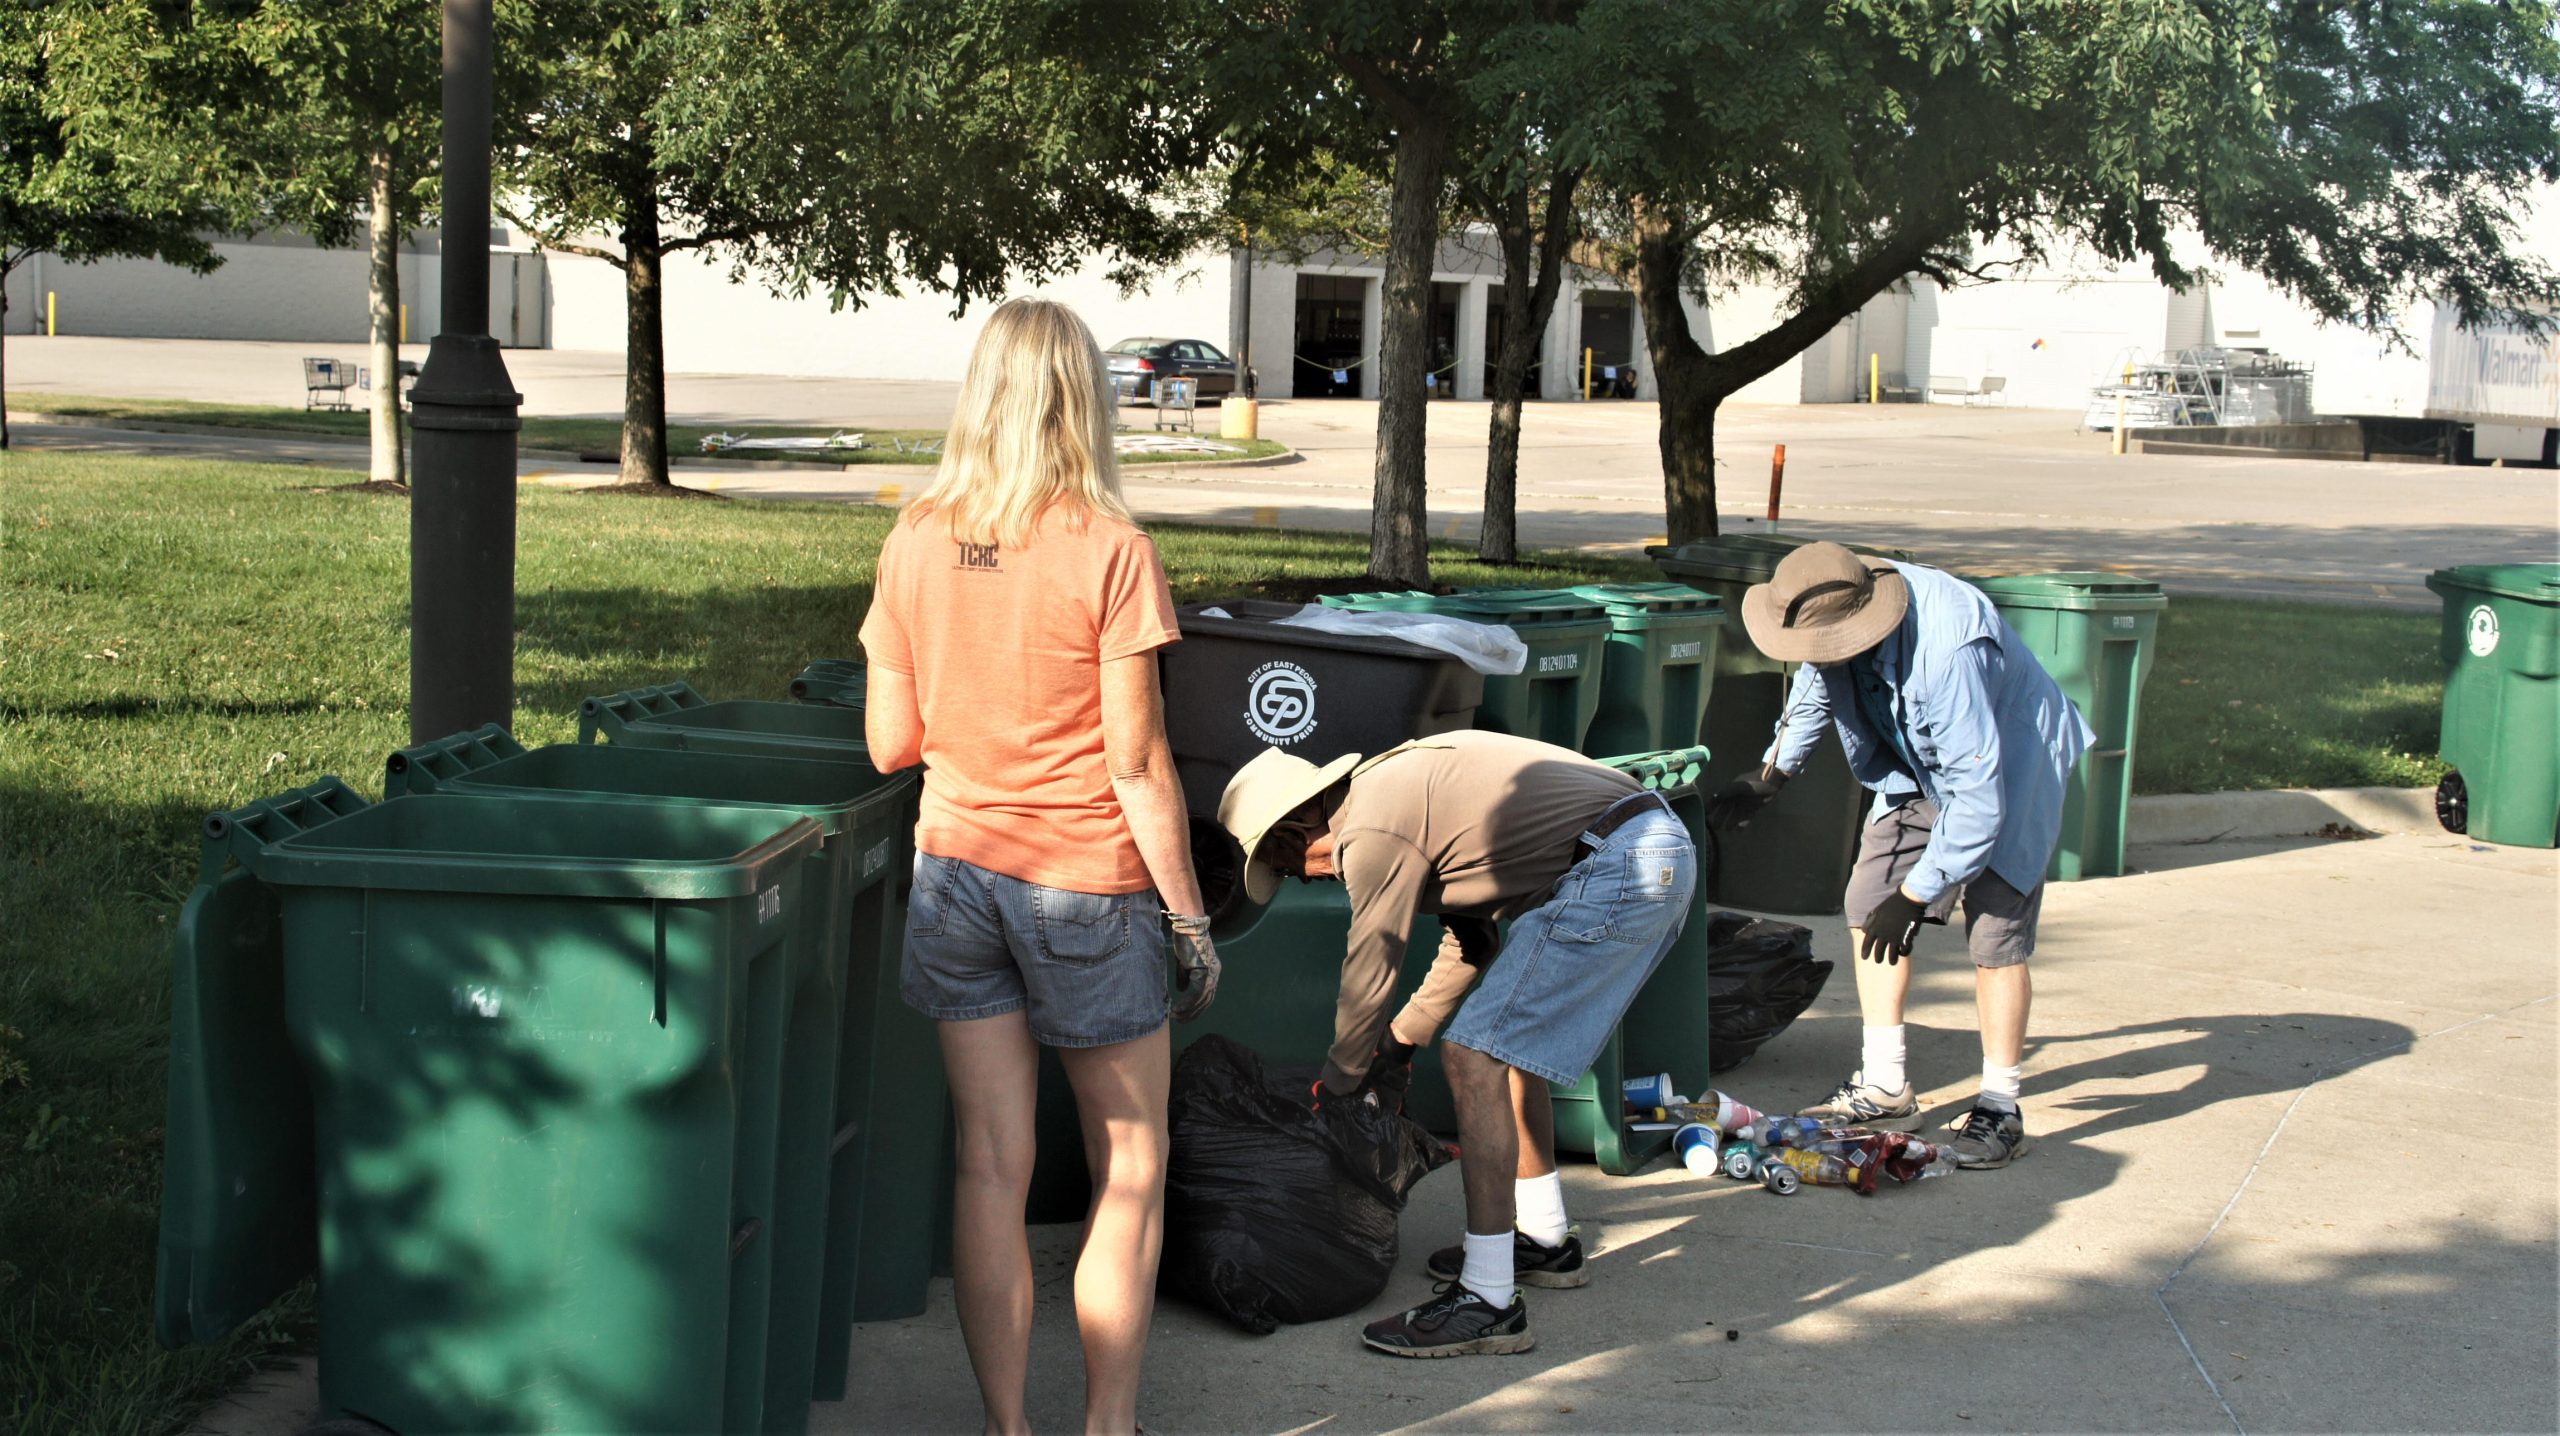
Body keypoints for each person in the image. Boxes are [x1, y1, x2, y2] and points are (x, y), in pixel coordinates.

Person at [859, 298, 1220, 1436]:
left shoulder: (914, 537)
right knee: (1129, 1162)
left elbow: (889, 745)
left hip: (955, 869)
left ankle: (1006, 1426)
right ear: (1085, 401)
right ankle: (1106, 1426)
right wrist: (1191, 918)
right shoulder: (1111, 550)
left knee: (989, 1167)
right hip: (1086, 883)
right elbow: (1141, 759)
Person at [1217, 731, 1697, 1358]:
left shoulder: (1371, 832)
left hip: (1620, 863)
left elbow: (1370, 969)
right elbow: (1472, 944)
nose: (1304, 883)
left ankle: (1489, 1302)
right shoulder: (1404, 801)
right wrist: (1397, 1046)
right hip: (1644, 850)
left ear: (1291, 834)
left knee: (1471, 1060)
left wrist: (1337, 1090)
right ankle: (1548, 1240)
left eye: (1286, 870)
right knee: (1502, 1052)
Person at [1705, 541, 2093, 1169]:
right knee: (1867, 900)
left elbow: (1977, 799)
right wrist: (1772, 773)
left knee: (1995, 930)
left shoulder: (1949, 655)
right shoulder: (1832, 607)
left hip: (2010, 765)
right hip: (1918, 762)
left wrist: (1916, 897)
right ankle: (1886, 1085)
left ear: (1866, 623)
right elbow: (1816, 679)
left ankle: (2001, 1105)